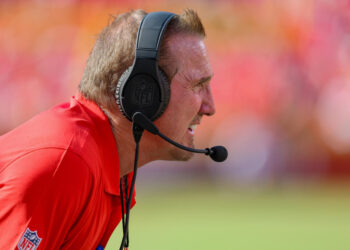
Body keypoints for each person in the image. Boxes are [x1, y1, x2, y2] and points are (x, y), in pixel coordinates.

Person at [0, 8, 215, 250]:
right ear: (143, 93)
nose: (210, 107)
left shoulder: (107, 163)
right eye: (198, 85)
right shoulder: (65, 164)